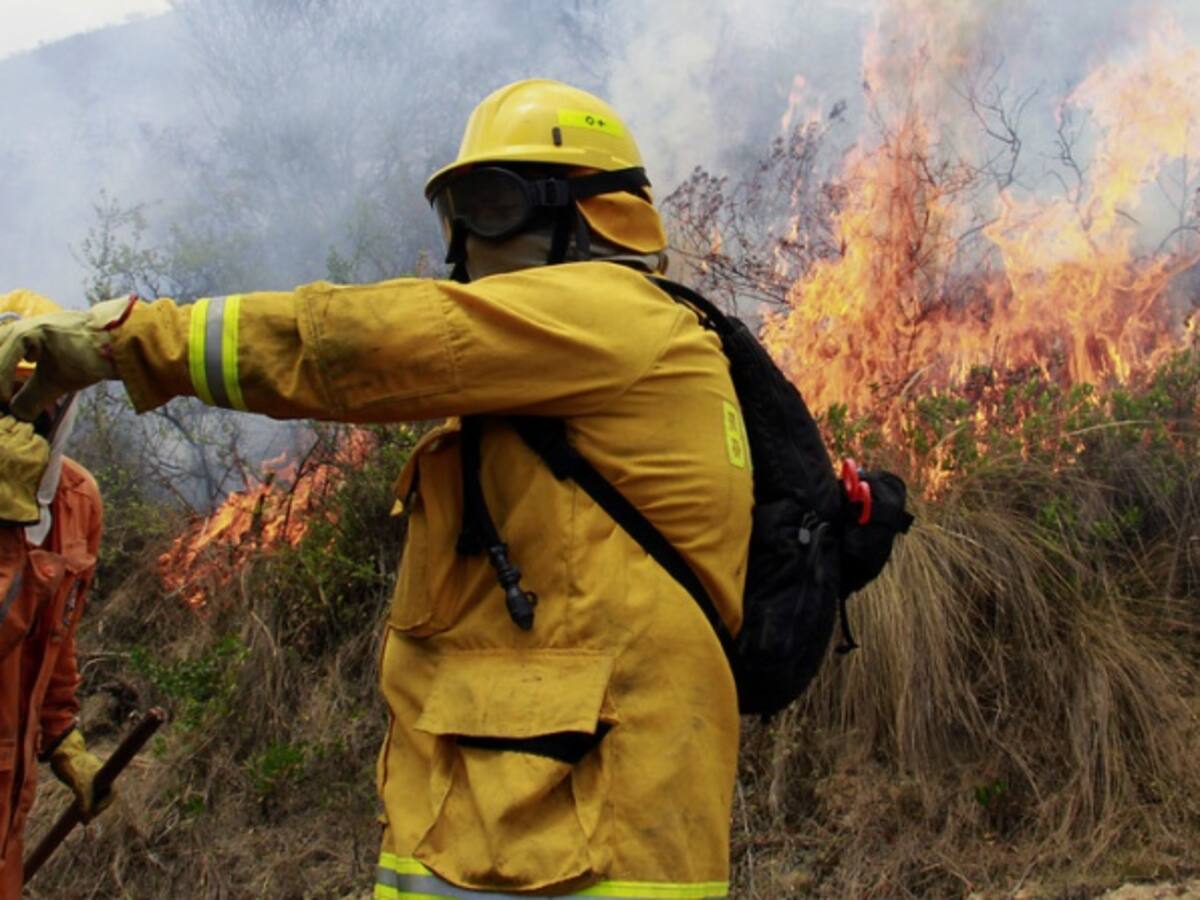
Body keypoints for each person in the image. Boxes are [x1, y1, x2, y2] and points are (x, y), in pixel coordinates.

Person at [0, 80, 752, 898]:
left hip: (579, 839)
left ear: (587, 214)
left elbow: (358, 345)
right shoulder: (586, 362)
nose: (467, 239)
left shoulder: (608, 314)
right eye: (453, 212)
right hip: (529, 823)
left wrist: (125, 342)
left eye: (492, 204)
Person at [0, 290, 110, 898]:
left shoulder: (77, 498)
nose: (33, 411)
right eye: (16, 392)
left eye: (48, 390)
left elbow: (57, 635)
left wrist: (61, 732)